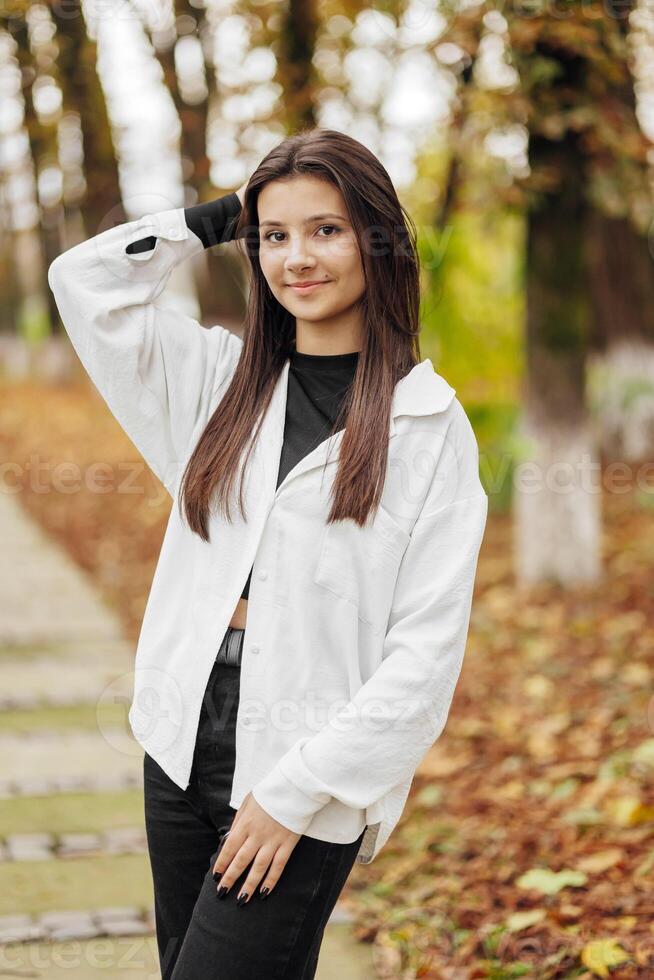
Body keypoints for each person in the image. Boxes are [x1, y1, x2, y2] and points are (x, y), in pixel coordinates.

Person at [47, 127, 488, 979]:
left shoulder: (431, 430)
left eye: (325, 229)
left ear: (377, 239)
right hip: (181, 736)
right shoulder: (217, 384)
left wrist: (291, 797)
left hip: (306, 763)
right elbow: (83, 280)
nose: (297, 259)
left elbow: (424, 660)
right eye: (275, 237)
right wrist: (218, 218)